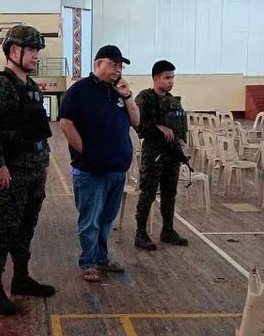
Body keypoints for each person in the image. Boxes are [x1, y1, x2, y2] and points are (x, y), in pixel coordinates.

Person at [0, 25, 56, 315]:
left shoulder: (30, 88)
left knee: (26, 226)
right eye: (32, 50)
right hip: (11, 172)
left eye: (37, 50)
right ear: (13, 51)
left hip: (34, 170)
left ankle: (20, 277)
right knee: (4, 230)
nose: (36, 56)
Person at [58, 45, 140, 282]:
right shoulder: (79, 91)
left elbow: (136, 121)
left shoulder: (118, 93)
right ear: (97, 65)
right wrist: (87, 151)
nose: (118, 70)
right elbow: (65, 123)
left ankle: (102, 257)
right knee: (90, 219)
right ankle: (88, 262)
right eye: (113, 65)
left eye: (120, 66)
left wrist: (127, 96)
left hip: (117, 169)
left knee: (106, 219)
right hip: (90, 170)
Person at [133, 60, 190, 250]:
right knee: (148, 193)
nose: (171, 81)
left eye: (172, 77)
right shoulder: (145, 98)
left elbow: (180, 126)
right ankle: (141, 233)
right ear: (156, 78)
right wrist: (158, 127)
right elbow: (138, 124)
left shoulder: (174, 101)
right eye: (167, 77)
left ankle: (168, 230)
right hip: (154, 153)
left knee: (170, 194)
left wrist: (181, 140)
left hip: (172, 153)